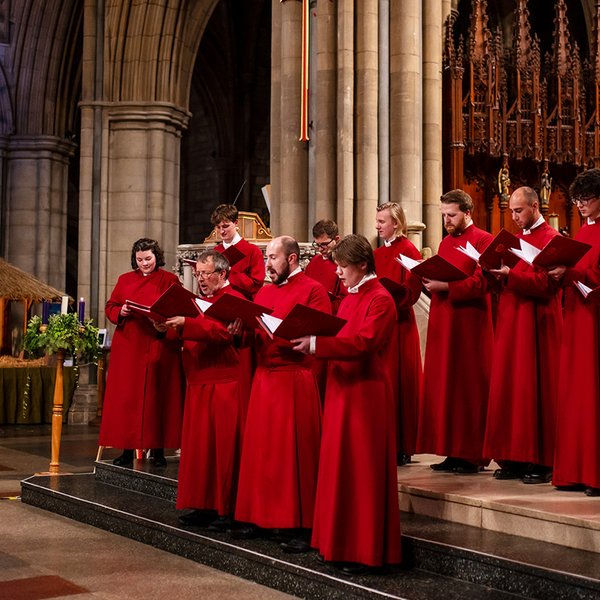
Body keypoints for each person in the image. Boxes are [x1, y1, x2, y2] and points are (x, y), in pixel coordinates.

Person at [291, 234, 401, 573]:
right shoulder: (352, 297)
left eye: (342, 267)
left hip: (365, 395)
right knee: (340, 468)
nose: (337, 274)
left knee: (361, 472)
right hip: (342, 389)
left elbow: (363, 343)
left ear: (363, 265)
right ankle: (337, 543)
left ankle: (364, 551)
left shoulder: (381, 299)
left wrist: (316, 345)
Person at [232, 236, 330, 544]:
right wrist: (239, 331)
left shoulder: (313, 290)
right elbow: (254, 337)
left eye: (272, 258)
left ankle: (299, 523)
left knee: (292, 457)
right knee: (262, 453)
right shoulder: (263, 290)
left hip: (294, 377)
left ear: (291, 259)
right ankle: (260, 517)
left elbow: (321, 335)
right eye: (266, 259)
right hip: (265, 378)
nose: (267, 265)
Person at [483, 187, 562, 483]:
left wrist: (511, 276)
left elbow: (548, 286)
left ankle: (542, 461)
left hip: (538, 324)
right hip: (511, 320)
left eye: (519, 211)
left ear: (535, 206)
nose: (514, 217)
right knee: (511, 388)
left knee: (535, 388)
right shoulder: (515, 240)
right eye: (511, 212)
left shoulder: (552, 239)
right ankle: (513, 457)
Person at [165, 250, 249, 530]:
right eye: (198, 274)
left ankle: (226, 509)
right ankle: (202, 504)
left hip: (223, 381)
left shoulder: (234, 298)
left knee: (222, 450)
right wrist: (168, 325)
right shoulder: (201, 300)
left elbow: (223, 333)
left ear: (222, 274)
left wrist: (186, 324)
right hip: (199, 379)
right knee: (200, 449)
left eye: (206, 274)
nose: (200, 279)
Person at [417, 190, 494, 474]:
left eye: (451, 215)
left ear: (467, 213)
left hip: (469, 324)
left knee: (467, 388)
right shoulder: (445, 241)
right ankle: (451, 451)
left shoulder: (483, 240)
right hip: (444, 321)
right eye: (444, 216)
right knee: (445, 388)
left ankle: (471, 454)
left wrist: (447, 287)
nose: (447, 221)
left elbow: (483, 282)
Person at [99, 238, 184, 468]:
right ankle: (126, 451)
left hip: (158, 343)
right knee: (127, 399)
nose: (144, 263)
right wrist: (122, 310)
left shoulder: (170, 280)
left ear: (157, 256)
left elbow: (180, 308)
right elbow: (110, 307)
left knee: (157, 399)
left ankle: (158, 451)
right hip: (129, 346)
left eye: (148, 259)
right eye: (139, 260)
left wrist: (164, 324)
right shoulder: (125, 279)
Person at [550, 169, 600, 496]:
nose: (580, 204)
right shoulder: (581, 232)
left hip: (596, 318)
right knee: (577, 394)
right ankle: (576, 471)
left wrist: (572, 273)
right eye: (577, 199)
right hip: (578, 318)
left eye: (587, 198)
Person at [373, 202, 422, 465]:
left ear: (397, 223)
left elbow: (412, 291)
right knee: (384, 382)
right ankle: (385, 440)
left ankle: (403, 445)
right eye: (377, 221)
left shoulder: (409, 250)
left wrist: (393, 301)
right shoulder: (378, 253)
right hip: (381, 324)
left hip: (400, 325)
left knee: (400, 382)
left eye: (382, 221)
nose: (378, 225)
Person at [211, 204, 265, 299]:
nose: (221, 231)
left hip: (243, 303)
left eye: (225, 226)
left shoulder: (252, 251)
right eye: (218, 227)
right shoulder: (215, 252)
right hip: (217, 301)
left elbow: (256, 286)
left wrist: (231, 273)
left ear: (236, 223)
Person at [305, 219, 347, 314]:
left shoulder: (344, 263)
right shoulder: (315, 261)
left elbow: (346, 300)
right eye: (317, 244)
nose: (320, 249)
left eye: (324, 244)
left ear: (336, 239)